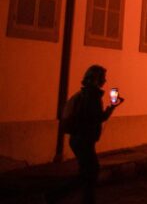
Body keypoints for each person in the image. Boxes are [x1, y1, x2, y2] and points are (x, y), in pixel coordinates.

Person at [49, 65, 125, 204]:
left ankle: (79, 198)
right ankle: (56, 195)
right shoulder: (92, 96)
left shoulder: (86, 93)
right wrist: (111, 108)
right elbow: (97, 117)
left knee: (88, 172)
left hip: (79, 138)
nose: (105, 80)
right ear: (96, 79)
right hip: (83, 139)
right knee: (90, 172)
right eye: (102, 77)